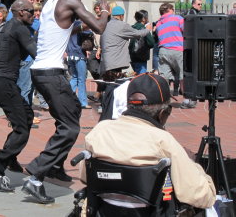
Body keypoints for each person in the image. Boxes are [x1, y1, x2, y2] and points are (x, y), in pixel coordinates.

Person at [22, 0, 110, 204]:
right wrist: (105, 12)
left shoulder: (52, 3)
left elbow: (71, 28)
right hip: (52, 74)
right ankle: (36, 175)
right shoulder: (72, 1)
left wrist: (83, 24)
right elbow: (99, 27)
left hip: (40, 72)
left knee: (71, 113)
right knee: (70, 128)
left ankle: (55, 166)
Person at [80, 73, 216, 210]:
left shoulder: (100, 131)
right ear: (163, 113)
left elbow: (85, 176)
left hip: (104, 212)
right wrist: (193, 163)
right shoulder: (163, 140)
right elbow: (202, 197)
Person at [0, 0, 37, 192]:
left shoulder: (10, 26)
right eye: (31, 11)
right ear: (21, 12)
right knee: (22, 129)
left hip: (4, 84)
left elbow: (22, 54)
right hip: (4, 84)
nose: (34, 14)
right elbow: (35, 52)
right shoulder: (19, 27)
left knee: (28, 115)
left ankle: (11, 158)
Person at [155, 3, 196, 109]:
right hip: (177, 50)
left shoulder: (159, 23)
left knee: (164, 77)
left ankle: (163, 101)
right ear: (170, 10)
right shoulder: (177, 18)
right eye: (173, 9)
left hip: (163, 50)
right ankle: (186, 100)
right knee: (183, 75)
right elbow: (186, 31)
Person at [99, 6, 150, 80]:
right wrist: (148, 29)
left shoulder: (106, 24)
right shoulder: (122, 25)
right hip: (116, 61)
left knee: (108, 82)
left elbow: (101, 41)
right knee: (114, 83)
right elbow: (138, 34)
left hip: (105, 60)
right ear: (121, 16)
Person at [66, 20, 92, 109]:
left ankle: (68, 99)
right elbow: (89, 32)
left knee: (74, 78)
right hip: (79, 54)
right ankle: (83, 102)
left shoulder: (69, 24)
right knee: (81, 79)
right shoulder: (80, 24)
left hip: (70, 54)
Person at [129, 10, 155, 74]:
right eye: (147, 17)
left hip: (132, 57)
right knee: (141, 78)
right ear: (143, 19)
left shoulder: (132, 27)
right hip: (140, 57)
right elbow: (151, 43)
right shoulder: (144, 29)